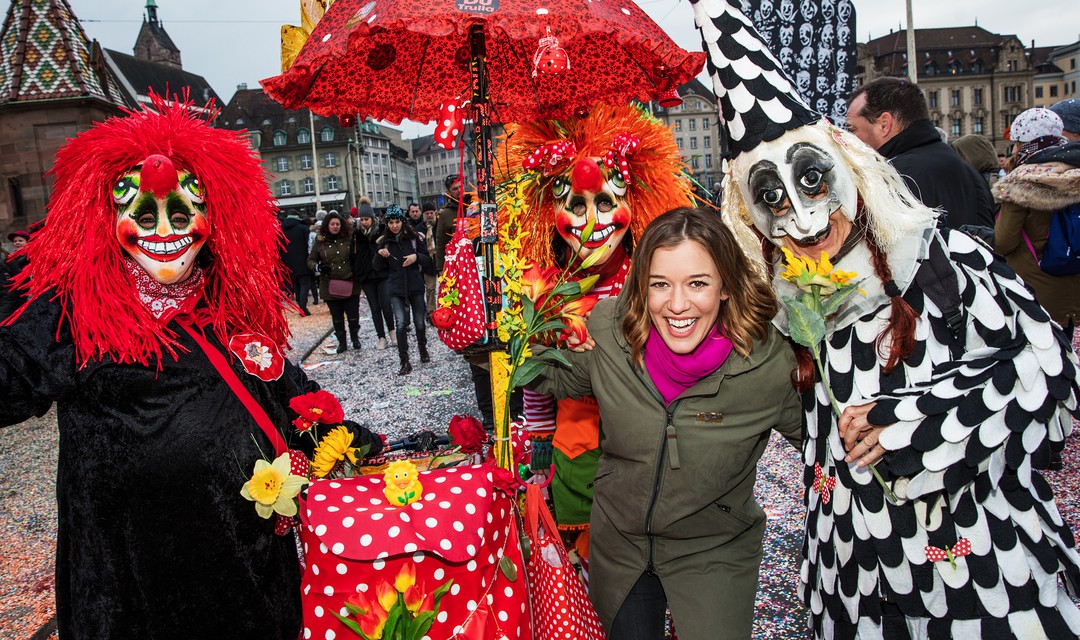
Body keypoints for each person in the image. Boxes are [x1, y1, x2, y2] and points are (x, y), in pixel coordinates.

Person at [694, 1, 1080, 634]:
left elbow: (1051, 371)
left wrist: (915, 423)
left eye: (812, 182)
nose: (802, 217)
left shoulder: (938, 257)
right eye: (772, 198)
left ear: (847, 170)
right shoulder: (791, 304)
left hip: (968, 567)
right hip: (853, 575)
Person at [0, 96, 314, 638]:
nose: (165, 229)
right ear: (104, 217)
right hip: (136, 583)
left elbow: (281, 385)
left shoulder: (228, 300)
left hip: (247, 568)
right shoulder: (73, 310)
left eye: (182, 211)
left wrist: (338, 432)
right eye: (143, 214)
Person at [528, 207, 803, 639]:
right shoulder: (610, 330)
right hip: (621, 547)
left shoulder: (769, 364)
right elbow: (558, 375)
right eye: (660, 285)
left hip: (713, 551)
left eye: (697, 284)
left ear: (726, 287)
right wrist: (526, 335)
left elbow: (827, 440)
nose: (677, 305)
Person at [497, 103, 694, 576]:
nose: (591, 220)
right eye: (577, 205)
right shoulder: (540, 285)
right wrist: (539, 451)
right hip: (576, 457)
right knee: (590, 582)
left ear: (636, 203)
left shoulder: (658, 279)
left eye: (606, 203)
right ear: (553, 210)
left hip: (651, 460)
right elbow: (537, 379)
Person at [845, 77, 995, 233]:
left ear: (884, 124)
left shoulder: (892, 177)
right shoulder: (970, 172)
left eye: (851, 129)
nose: (847, 140)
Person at [994, 107, 1080, 338]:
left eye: (1017, 143)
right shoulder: (1076, 172)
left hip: (1036, 294)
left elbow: (1003, 242)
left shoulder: (1022, 181)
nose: (1014, 150)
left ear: (1027, 144)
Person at [374, 204, 432, 375]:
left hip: (414, 285)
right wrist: (380, 254)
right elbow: (376, 267)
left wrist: (416, 257)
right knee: (400, 324)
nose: (394, 225)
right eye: (391, 222)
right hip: (396, 288)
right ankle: (404, 360)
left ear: (402, 221)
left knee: (420, 322)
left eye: (397, 221)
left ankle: (422, 348)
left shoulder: (414, 238)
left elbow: (427, 260)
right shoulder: (384, 241)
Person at [308, 210, 362, 353]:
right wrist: (318, 267)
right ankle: (342, 342)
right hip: (330, 284)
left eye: (338, 224)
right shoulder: (320, 241)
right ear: (327, 225)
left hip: (350, 281)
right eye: (332, 224)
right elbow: (311, 260)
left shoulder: (350, 238)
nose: (335, 226)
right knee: (337, 317)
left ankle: (355, 338)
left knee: (353, 315)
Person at [354, 199, 395, 350]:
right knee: (374, 307)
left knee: (386, 304)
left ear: (372, 218)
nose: (364, 222)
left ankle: (392, 332)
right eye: (362, 219)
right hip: (366, 275)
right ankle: (381, 337)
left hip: (382, 272)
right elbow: (354, 255)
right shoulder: (356, 234)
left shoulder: (381, 230)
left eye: (367, 219)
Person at [280, 212, 313, 315]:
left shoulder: (282, 230)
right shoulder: (303, 228)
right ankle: (302, 306)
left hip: (288, 261)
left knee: (296, 284)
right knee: (304, 283)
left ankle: (299, 303)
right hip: (303, 260)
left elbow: (280, 248)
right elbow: (309, 245)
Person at [435, 174, 463, 273]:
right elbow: (441, 242)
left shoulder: (474, 206)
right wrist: (441, 269)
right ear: (449, 192)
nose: (459, 191)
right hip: (458, 264)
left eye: (461, 187)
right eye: (455, 189)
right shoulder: (445, 214)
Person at [422, 206, 439, 319]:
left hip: (441, 260)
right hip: (428, 262)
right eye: (427, 213)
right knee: (431, 288)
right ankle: (431, 311)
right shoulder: (420, 228)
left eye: (431, 213)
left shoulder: (439, 225)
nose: (429, 215)